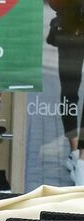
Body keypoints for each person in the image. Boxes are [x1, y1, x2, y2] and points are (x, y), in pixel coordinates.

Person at [49, 0, 84, 182]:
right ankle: (76, 153)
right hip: (70, 28)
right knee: (69, 93)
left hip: (70, 28)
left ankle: (80, 158)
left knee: (69, 93)